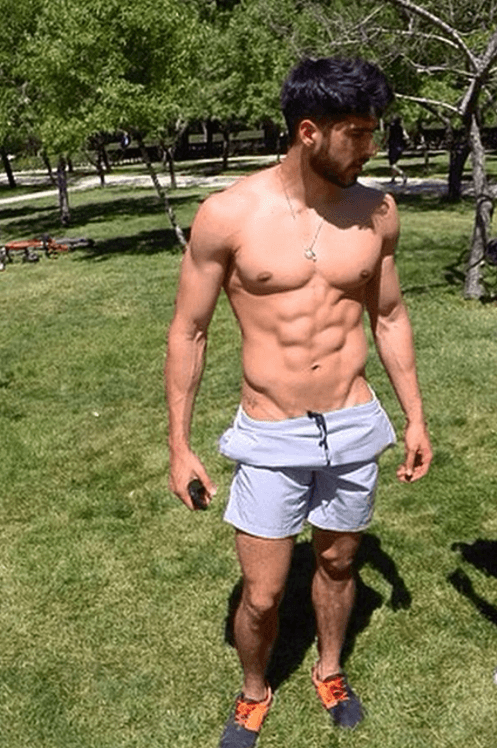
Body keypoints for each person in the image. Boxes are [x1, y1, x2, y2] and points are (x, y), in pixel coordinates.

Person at [165, 57, 432, 748]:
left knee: (339, 563)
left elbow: (390, 316)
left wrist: (415, 417)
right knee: (261, 594)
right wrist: (179, 445)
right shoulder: (229, 214)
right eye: (357, 133)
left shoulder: (377, 211)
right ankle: (254, 691)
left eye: (373, 131)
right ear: (309, 132)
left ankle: (330, 668)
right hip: (271, 430)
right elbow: (190, 330)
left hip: (352, 421)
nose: (371, 147)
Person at [387, 116, 408, 185]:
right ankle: (393, 178)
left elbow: (387, 136)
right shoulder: (401, 128)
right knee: (394, 163)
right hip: (400, 147)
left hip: (393, 147)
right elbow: (406, 136)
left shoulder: (391, 127)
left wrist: (385, 143)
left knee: (392, 164)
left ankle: (402, 174)